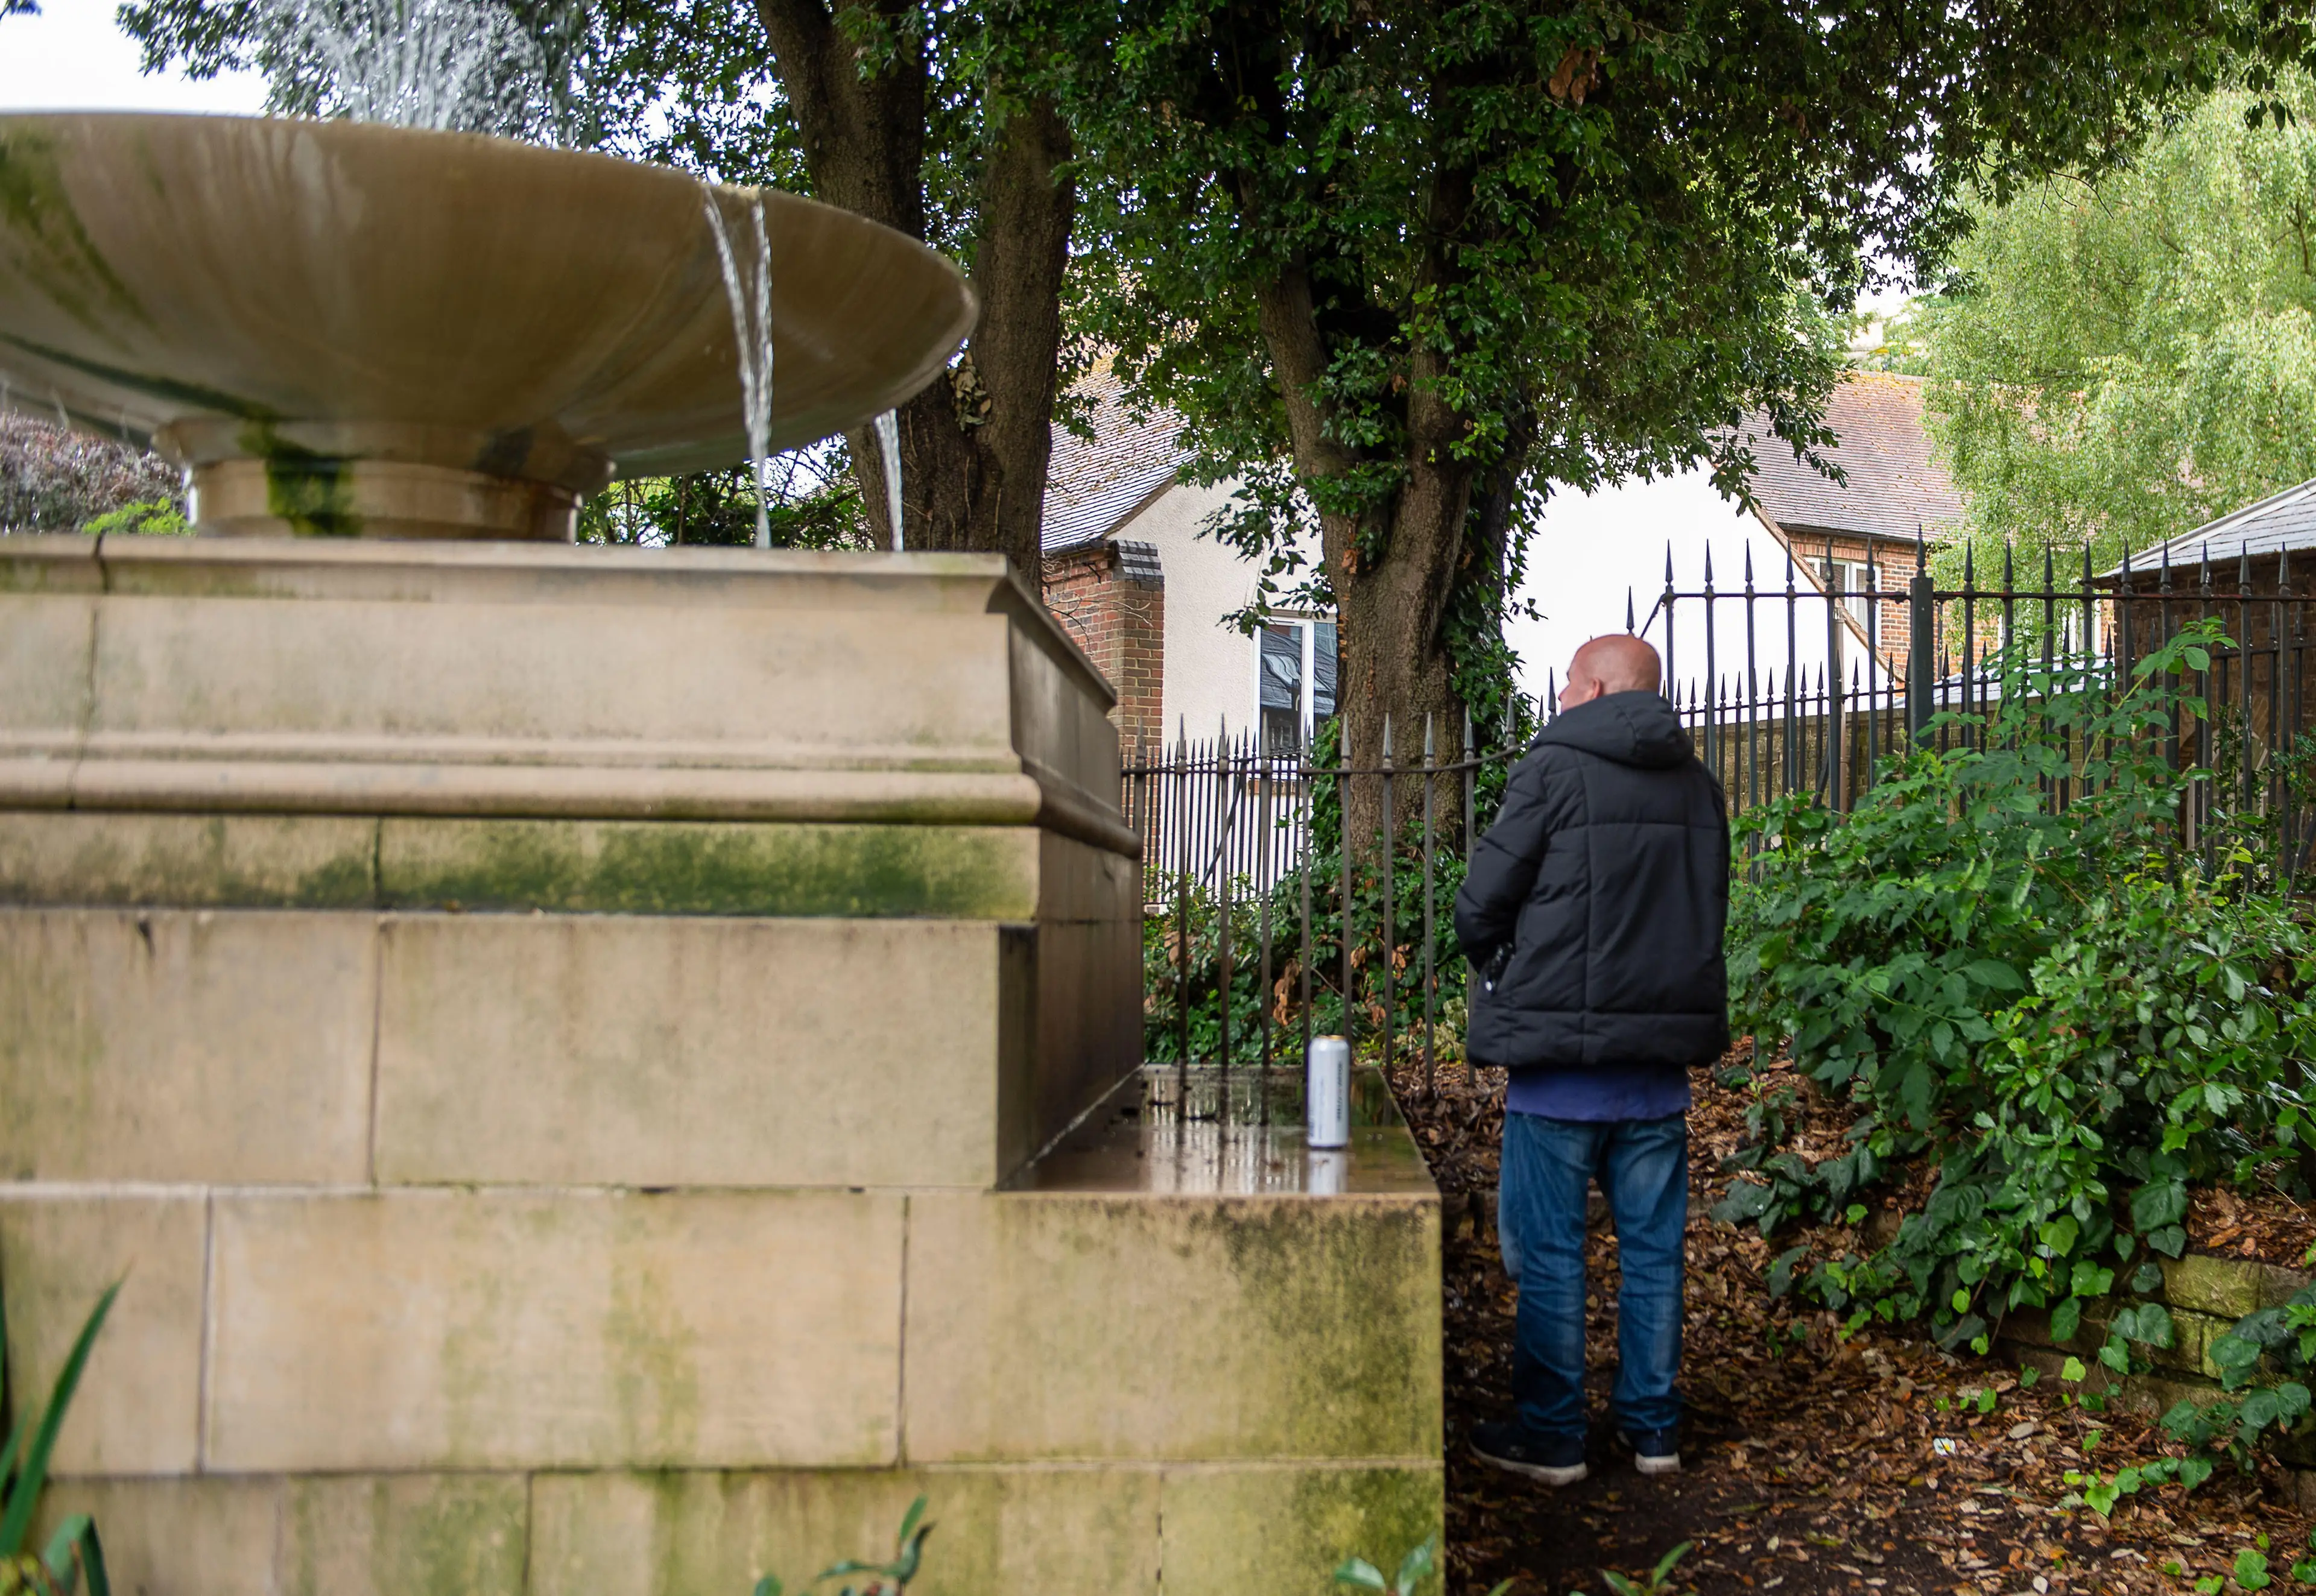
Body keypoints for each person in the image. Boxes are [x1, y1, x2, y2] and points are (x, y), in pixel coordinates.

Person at [1453, 633, 1729, 1486]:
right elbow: (1709, 906)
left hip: (1560, 1075)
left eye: (1570, 682)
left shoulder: (1552, 770)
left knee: (1551, 1252)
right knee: (1653, 1255)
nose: (1561, 696)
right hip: (1656, 1075)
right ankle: (1653, 1431)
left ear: (1603, 687)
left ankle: (1553, 1436)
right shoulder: (1700, 786)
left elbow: (1479, 905)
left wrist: (1506, 967)